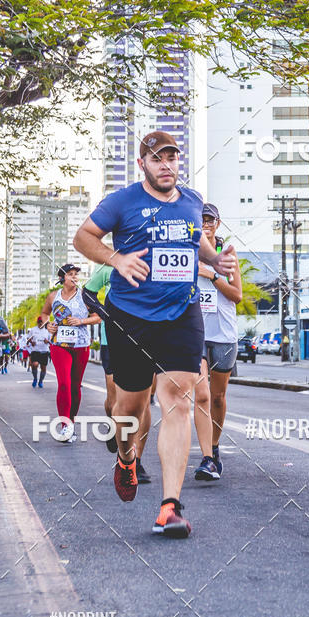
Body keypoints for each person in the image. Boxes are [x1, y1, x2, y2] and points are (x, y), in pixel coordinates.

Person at [73, 130, 237, 538]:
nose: (167, 165)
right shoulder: (122, 201)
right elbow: (83, 237)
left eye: (172, 158)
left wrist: (217, 260)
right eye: (158, 159)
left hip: (182, 313)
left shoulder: (192, 201)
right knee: (127, 408)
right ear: (143, 163)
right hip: (130, 316)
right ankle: (127, 456)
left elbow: (194, 239)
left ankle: (170, 506)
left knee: (179, 401)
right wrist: (116, 258)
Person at [83, 264, 152, 483]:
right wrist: (106, 314)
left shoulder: (154, 262)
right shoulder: (109, 267)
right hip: (111, 340)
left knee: (144, 401)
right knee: (114, 400)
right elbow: (87, 292)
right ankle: (114, 426)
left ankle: (136, 461)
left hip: (146, 337)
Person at [194, 203, 242, 481]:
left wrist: (211, 275)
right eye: (201, 219)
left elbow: (236, 295)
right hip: (196, 334)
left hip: (224, 334)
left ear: (218, 223)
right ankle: (207, 459)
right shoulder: (188, 254)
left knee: (218, 397)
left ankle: (214, 447)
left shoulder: (228, 255)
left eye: (210, 219)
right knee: (201, 394)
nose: (206, 223)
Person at [39, 264, 99, 442]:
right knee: (64, 383)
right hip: (59, 344)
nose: (75, 277)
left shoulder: (85, 296)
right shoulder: (53, 296)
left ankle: (71, 422)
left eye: (76, 275)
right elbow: (44, 314)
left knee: (75, 386)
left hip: (81, 346)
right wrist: (47, 324)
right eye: (71, 274)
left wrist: (81, 320)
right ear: (62, 278)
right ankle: (65, 425)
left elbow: (99, 316)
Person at [27, 316, 51, 388]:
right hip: (35, 351)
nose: (40, 323)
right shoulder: (33, 330)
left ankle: (41, 381)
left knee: (43, 367)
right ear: (37, 322)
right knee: (34, 364)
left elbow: (52, 341)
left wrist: (47, 341)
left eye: (42, 322)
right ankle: (35, 378)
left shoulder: (48, 331)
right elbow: (28, 338)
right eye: (39, 322)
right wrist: (31, 342)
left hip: (44, 351)